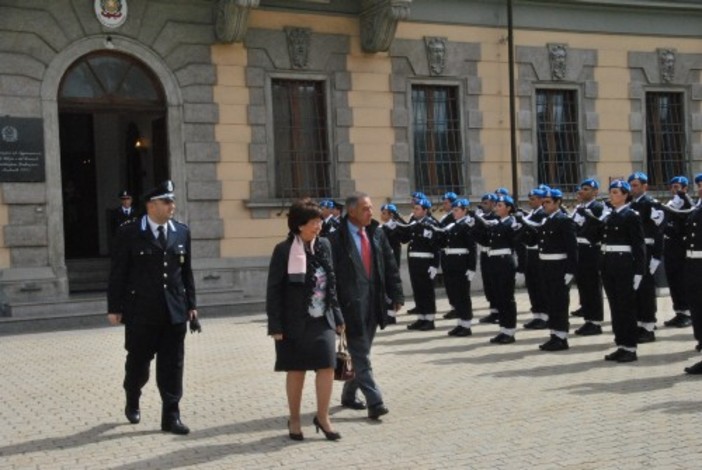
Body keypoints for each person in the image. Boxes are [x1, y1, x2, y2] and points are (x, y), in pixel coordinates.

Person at [107, 180, 198, 435]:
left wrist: (191, 304)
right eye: (167, 201)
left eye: (172, 201)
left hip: (174, 311)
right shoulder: (129, 232)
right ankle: (132, 395)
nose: (172, 206)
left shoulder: (181, 231)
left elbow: (185, 271)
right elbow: (118, 272)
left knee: (173, 365)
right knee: (138, 364)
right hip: (141, 311)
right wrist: (115, 307)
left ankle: (171, 415)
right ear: (151, 205)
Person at [265, 198, 345, 441]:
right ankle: (295, 419)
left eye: (320, 221)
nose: (318, 226)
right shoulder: (283, 250)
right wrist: (275, 326)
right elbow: (274, 290)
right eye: (313, 222)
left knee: (327, 367)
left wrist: (338, 316)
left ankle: (323, 417)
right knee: (296, 370)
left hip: (322, 319)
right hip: (293, 323)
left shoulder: (324, 246)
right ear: (299, 225)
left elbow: (331, 284)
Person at [328, 193, 404, 420]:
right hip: (349, 305)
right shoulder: (335, 239)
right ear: (351, 212)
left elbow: (389, 264)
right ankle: (375, 400)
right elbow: (331, 277)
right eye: (365, 209)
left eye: (370, 208)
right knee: (361, 353)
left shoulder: (376, 233)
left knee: (361, 351)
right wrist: (334, 309)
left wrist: (396, 294)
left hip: (374, 302)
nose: (371, 212)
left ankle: (349, 395)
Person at [587, 180, 645, 363]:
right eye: (611, 192)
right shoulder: (609, 215)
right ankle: (620, 345)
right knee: (615, 307)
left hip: (623, 265)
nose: (611, 195)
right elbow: (594, 238)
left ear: (625, 195)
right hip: (608, 264)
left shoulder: (631, 216)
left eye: (615, 192)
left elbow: (639, 246)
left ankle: (630, 347)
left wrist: (639, 272)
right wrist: (593, 220)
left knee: (625, 308)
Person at [520, 188, 577, 351]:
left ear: (558, 203)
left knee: (559, 303)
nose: (544, 205)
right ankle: (554, 334)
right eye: (543, 202)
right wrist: (522, 227)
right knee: (550, 302)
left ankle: (561, 337)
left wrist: (570, 271)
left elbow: (572, 248)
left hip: (559, 267)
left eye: (548, 202)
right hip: (545, 266)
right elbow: (534, 241)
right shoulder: (546, 220)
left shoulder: (564, 220)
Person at [471, 195, 520, 344]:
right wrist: (475, 225)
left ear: (508, 208)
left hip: (505, 262)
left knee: (507, 299)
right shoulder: (497, 223)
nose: (496, 208)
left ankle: (510, 331)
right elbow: (485, 240)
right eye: (496, 205)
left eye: (499, 205)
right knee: (498, 297)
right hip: (494, 263)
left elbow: (516, 243)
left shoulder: (512, 223)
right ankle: (503, 329)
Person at [390, 197, 440, 330]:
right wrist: (396, 227)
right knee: (418, 291)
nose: (414, 211)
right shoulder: (414, 224)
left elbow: (436, 246)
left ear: (425, 210)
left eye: (417, 209)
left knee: (427, 292)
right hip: (415, 263)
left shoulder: (430, 224)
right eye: (414, 208)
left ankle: (429, 319)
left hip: (426, 262)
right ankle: (421, 318)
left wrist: (435, 265)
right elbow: (405, 239)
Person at [431, 198, 477, 336]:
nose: (454, 213)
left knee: (463, 295)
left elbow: (472, 247)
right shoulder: (453, 225)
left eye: (456, 210)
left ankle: (467, 325)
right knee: (455, 294)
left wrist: (471, 267)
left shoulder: (467, 225)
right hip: (450, 262)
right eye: (453, 210)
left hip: (461, 263)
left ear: (465, 211)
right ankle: (460, 323)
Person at [628, 172, 664, 342]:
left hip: (647, 251)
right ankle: (640, 324)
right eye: (631, 185)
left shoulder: (651, 204)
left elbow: (659, 231)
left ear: (645, 187)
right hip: (634, 251)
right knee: (636, 291)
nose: (632, 189)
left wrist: (656, 256)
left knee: (646, 291)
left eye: (635, 185)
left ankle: (648, 327)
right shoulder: (630, 204)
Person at [571, 179, 606, 336]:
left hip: (592, 250)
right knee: (583, 286)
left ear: (595, 192)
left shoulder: (598, 207)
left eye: (586, 189)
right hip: (580, 249)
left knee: (592, 286)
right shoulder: (580, 208)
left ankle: (596, 322)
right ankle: (588, 319)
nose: (581, 192)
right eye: (581, 189)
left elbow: (595, 229)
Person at [662, 176, 694, 328]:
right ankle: (679, 311)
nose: (674, 190)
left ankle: (687, 313)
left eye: (678, 187)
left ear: (685, 188)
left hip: (680, 248)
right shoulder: (672, 202)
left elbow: (684, 217)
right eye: (673, 187)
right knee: (673, 281)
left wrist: (682, 197)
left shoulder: (686, 202)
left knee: (682, 282)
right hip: (670, 248)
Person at [521, 187, 549, 329]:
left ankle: (545, 316)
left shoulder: (543, 213)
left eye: (533, 199)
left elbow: (538, 229)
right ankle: (536, 315)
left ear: (541, 200)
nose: (530, 201)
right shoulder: (532, 213)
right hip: (530, 252)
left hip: (539, 252)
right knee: (532, 285)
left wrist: (522, 220)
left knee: (540, 285)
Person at [683, 174, 702, 374]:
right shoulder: (696, 207)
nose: (699, 188)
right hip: (694, 264)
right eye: (698, 185)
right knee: (697, 310)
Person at [476, 193, 501, 324]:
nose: (483, 206)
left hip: (494, 254)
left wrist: (477, 217)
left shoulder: (497, 217)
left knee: (496, 284)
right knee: (488, 284)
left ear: (493, 204)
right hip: (484, 254)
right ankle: (493, 311)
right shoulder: (482, 216)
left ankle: (500, 312)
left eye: (485, 203)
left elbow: (488, 225)